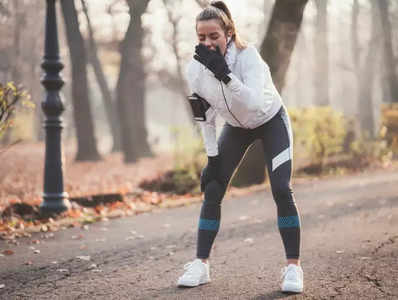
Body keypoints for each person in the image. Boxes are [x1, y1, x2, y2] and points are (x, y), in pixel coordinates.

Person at [177, 1, 303, 293]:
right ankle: (201, 264)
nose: (207, 43)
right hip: (235, 129)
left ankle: (294, 268)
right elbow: (205, 119)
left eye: (214, 36)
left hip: (271, 120)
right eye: (201, 38)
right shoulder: (195, 70)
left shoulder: (250, 58)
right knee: (213, 187)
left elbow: (256, 104)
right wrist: (212, 158)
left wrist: (226, 76)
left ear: (229, 33)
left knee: (282, 189)